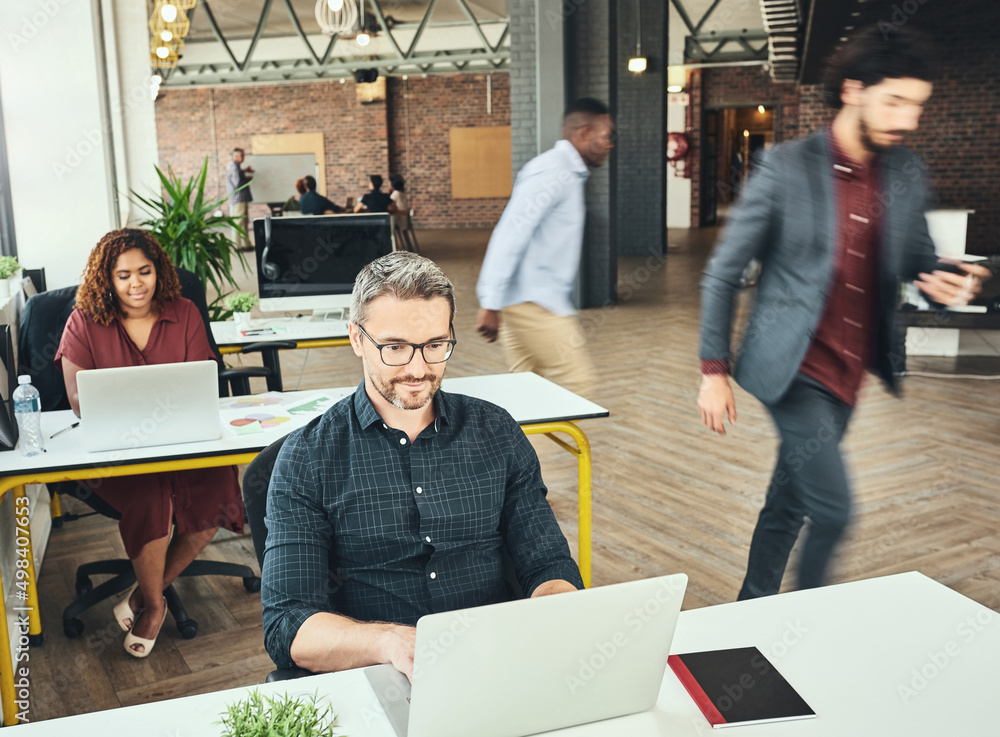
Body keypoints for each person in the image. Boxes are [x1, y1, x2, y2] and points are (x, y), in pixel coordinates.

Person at [697, 28, 990, 601]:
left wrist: (944, 281)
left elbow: (917, 260)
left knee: (791, 500)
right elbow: (723, 271)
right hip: (792, 366)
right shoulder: (786, 167)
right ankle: (814, 623)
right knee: (833, 510)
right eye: (895, 101)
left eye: (917, 105)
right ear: (854, 90)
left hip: (850, 373)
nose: (907, 119)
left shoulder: (905, 171)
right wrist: (713, 369)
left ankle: (748, 608)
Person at [262, 251, 582, 679]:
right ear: (357, 338)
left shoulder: (497, 431)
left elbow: (547, 564)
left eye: (434, 345)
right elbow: (288, 625)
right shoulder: (308, 457)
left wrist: (555, 606)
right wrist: (390, 642)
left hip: (498, 665)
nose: (418, 369)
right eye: (395, 347)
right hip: (377, 672)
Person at [55, 229, 244, 657]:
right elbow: (78, 400)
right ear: (107, 278)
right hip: (116, 452)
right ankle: (156, 605)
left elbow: (201, 381)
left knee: (219, 487)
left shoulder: (185, 312)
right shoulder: (83, 320)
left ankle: (140, 596)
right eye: (123, 275)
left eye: (145, 271)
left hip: (181, 441)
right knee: (153, 494)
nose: (136, 283)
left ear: (159, 271)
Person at [474, 97, 614, 398]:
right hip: (534, 304)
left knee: (528, 396)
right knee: (578, 386)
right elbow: (512, 233)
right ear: (583, 133)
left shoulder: (568, 173)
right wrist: (490, 302)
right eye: (605, 135)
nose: (609, 143)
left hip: (524, 301)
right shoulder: (553, 171)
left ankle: (515, 447)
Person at [226, 148, 254, 250]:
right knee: (239, 222)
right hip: (239, 198)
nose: (243, 158)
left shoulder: (234, 166)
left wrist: (244, 171)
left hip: (240, 198)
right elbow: (237, 184)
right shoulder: (234, 167)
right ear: (235, 156)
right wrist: (247, 179)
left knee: (244, 222)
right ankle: (237, 246)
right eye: (241, 156)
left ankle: (246, 244)